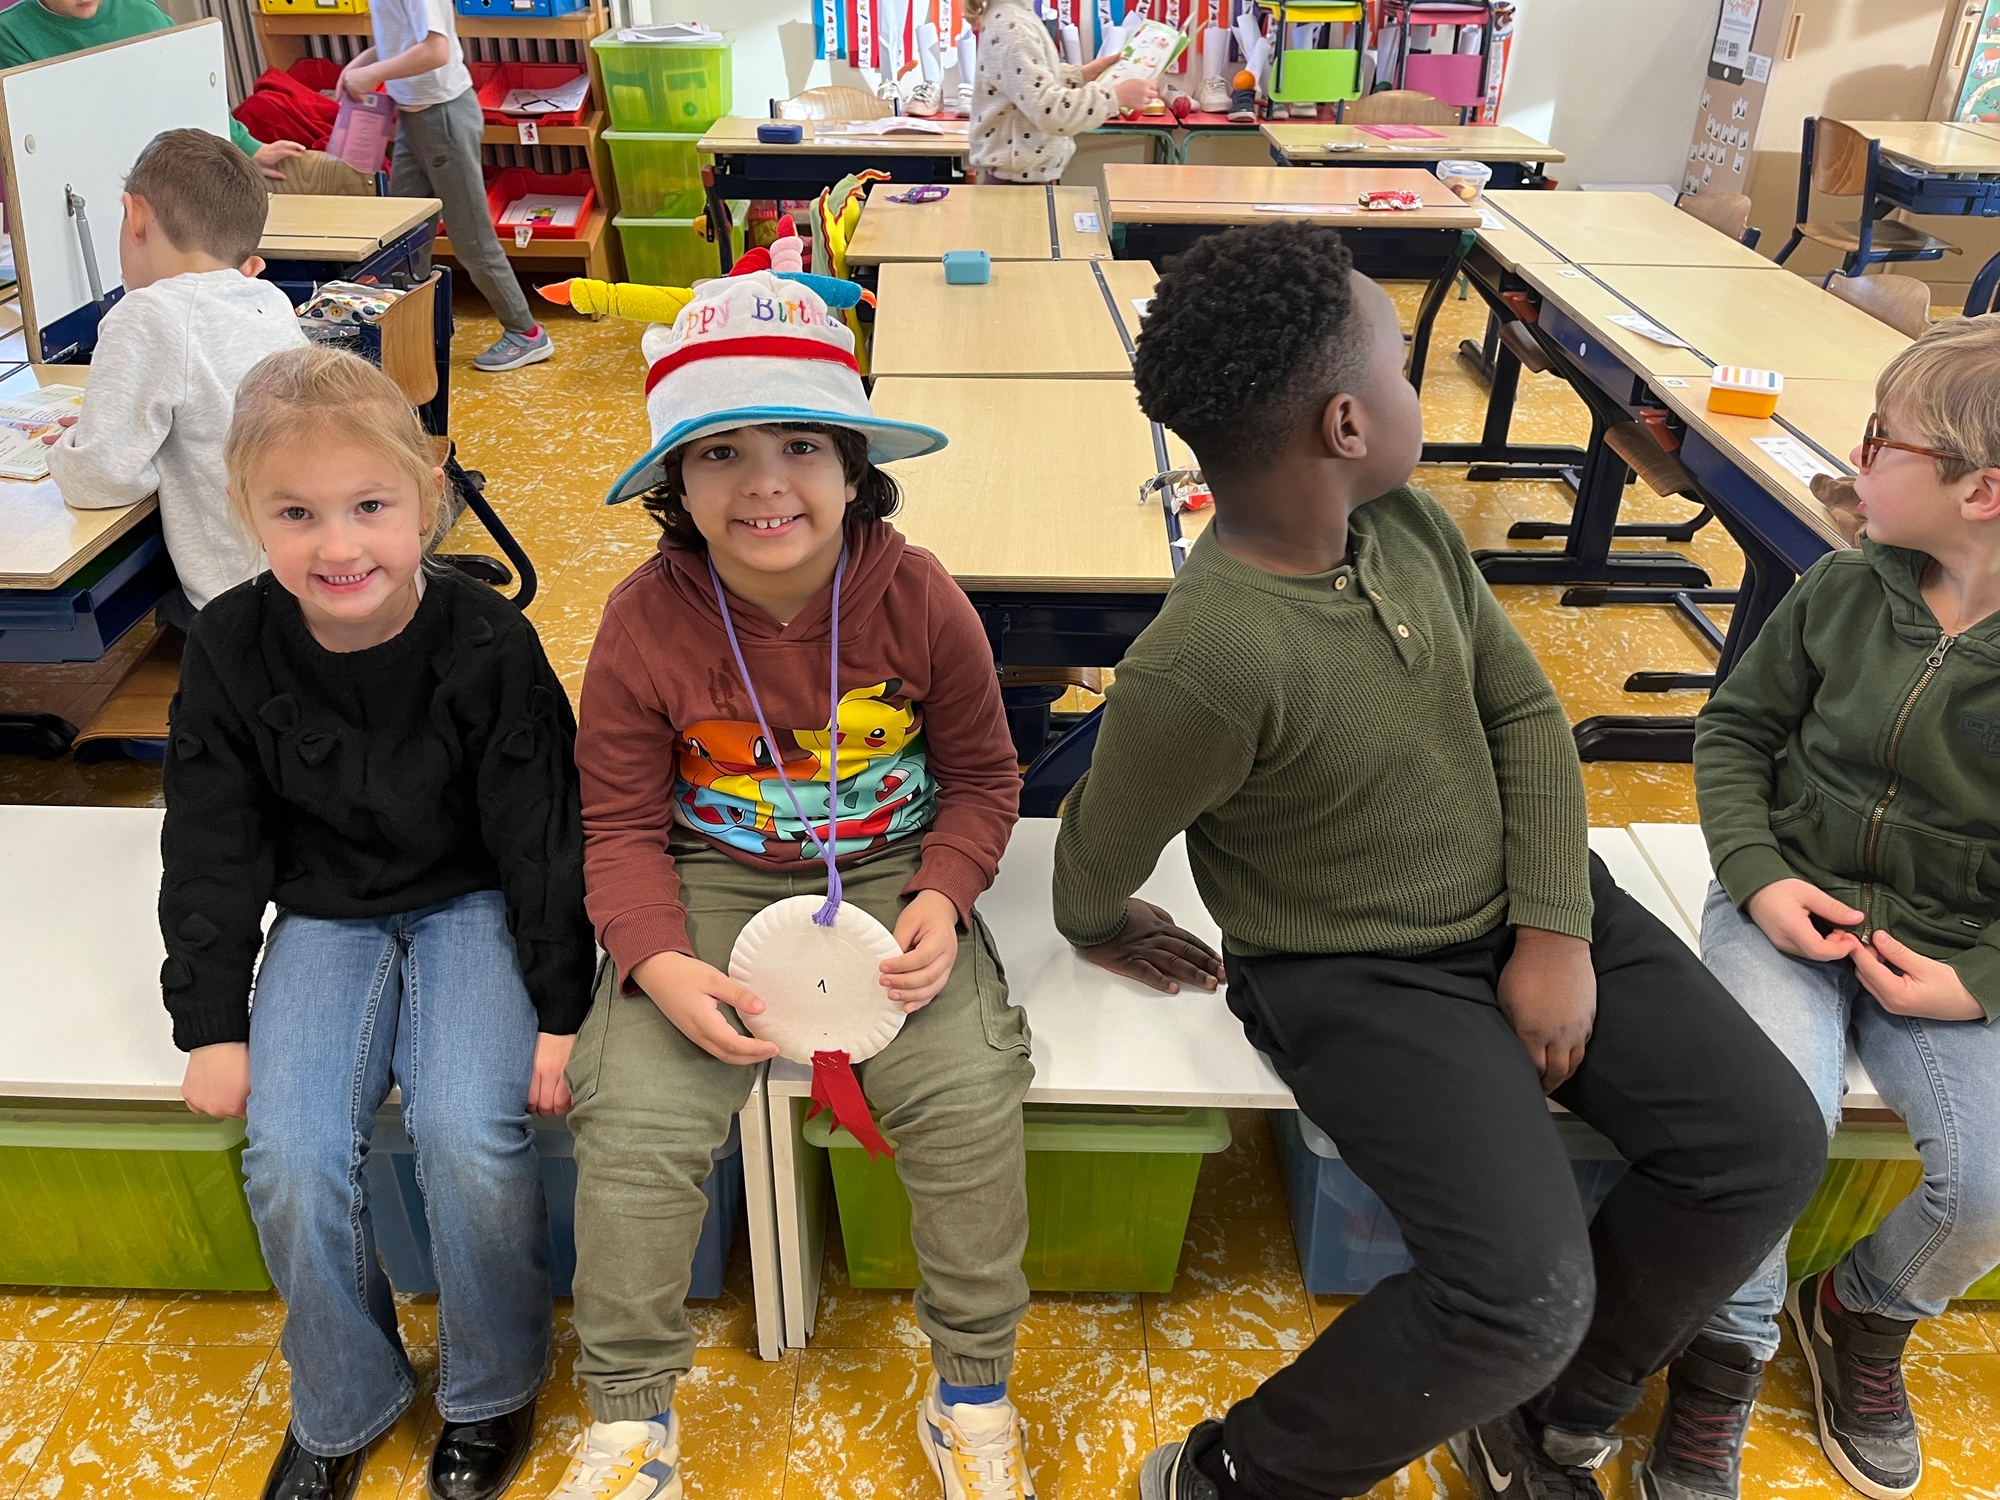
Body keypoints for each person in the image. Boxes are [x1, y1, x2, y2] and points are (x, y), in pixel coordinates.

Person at [1046, 222, 1828, 1500]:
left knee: (1763, 1144)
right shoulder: (1202, 660)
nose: (1420, 391)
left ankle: (1550, 1417)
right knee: (1516, 1295)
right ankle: (1230, 1472)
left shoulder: (1403, 525)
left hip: (1536, 900)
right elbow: (1100, 836)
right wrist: (1095, 918)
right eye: (1403, 370)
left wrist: (1553, 931)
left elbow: (1522, 715)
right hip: (1355, 973)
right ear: (1347, 424)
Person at [556, 265, 1034, 1500]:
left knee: (967, 1100)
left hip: (890, 874)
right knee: (633, 1124)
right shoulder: (640, 622)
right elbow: (616, 825)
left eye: (800, 445)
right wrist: (657, 960)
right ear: (674, 482)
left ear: (854, 468)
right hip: (707, 878)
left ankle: (970, 1393)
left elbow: (984, 778)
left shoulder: (919, 597)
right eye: (720, 453)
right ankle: (630, 1423)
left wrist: (944, 894)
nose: (764, 483)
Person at [164, 346, 594, 1500]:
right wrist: (211, 1023)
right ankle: (343, 1397)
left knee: (466, 1133)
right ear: (244, 511)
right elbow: (211, 839)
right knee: (291, 1158)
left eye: (368, 506)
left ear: (427, 497)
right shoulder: (229, 645)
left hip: (475, 904)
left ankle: (491, 1389)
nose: (338, 545)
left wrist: (561, 1011)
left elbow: (542, 832)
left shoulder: (487, 642)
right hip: (324, 915)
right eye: (295, 513)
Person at [1660, 315, 2000, 1500]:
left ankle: (1860, 1311)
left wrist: (1977, 980)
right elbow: (1733, 735)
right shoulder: (1842, 586)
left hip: (1951, 950)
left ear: (1981, 491)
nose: (1852, 459)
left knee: (1989, 1185)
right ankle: (1723, 1357)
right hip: (1783, 907)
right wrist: (1757, 876)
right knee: (1769, 1133)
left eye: (1878, 441)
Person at [48, 129, 308, 630]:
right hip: (300, 574)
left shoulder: (144, 314)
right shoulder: (268, 299)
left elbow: (101, 480)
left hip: (239, 603)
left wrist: (71, 445)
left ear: (135, 216)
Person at [338, 0, 553, 372]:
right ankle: (416, 328)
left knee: (471, 238)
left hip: (443, 117)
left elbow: (436, 50)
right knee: (404, 237)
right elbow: (401, 40)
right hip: (415, 118)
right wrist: (358, 68)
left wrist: (370, 73)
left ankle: (526, 333)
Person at [0, 0, 358, 191]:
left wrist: (248, 146)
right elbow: (35, 137)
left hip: (158, 178)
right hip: (79, 185)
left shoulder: (141, 12)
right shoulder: (10, 33)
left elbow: (194, 86)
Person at [966, 0, 1158, 183]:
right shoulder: (1014, 26)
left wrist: (1081, 75)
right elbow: (1049, 111)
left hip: (1022, 180)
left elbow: (1025, 81)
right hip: (1017, 187)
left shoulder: (1013, 16)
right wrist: (1115, 96)